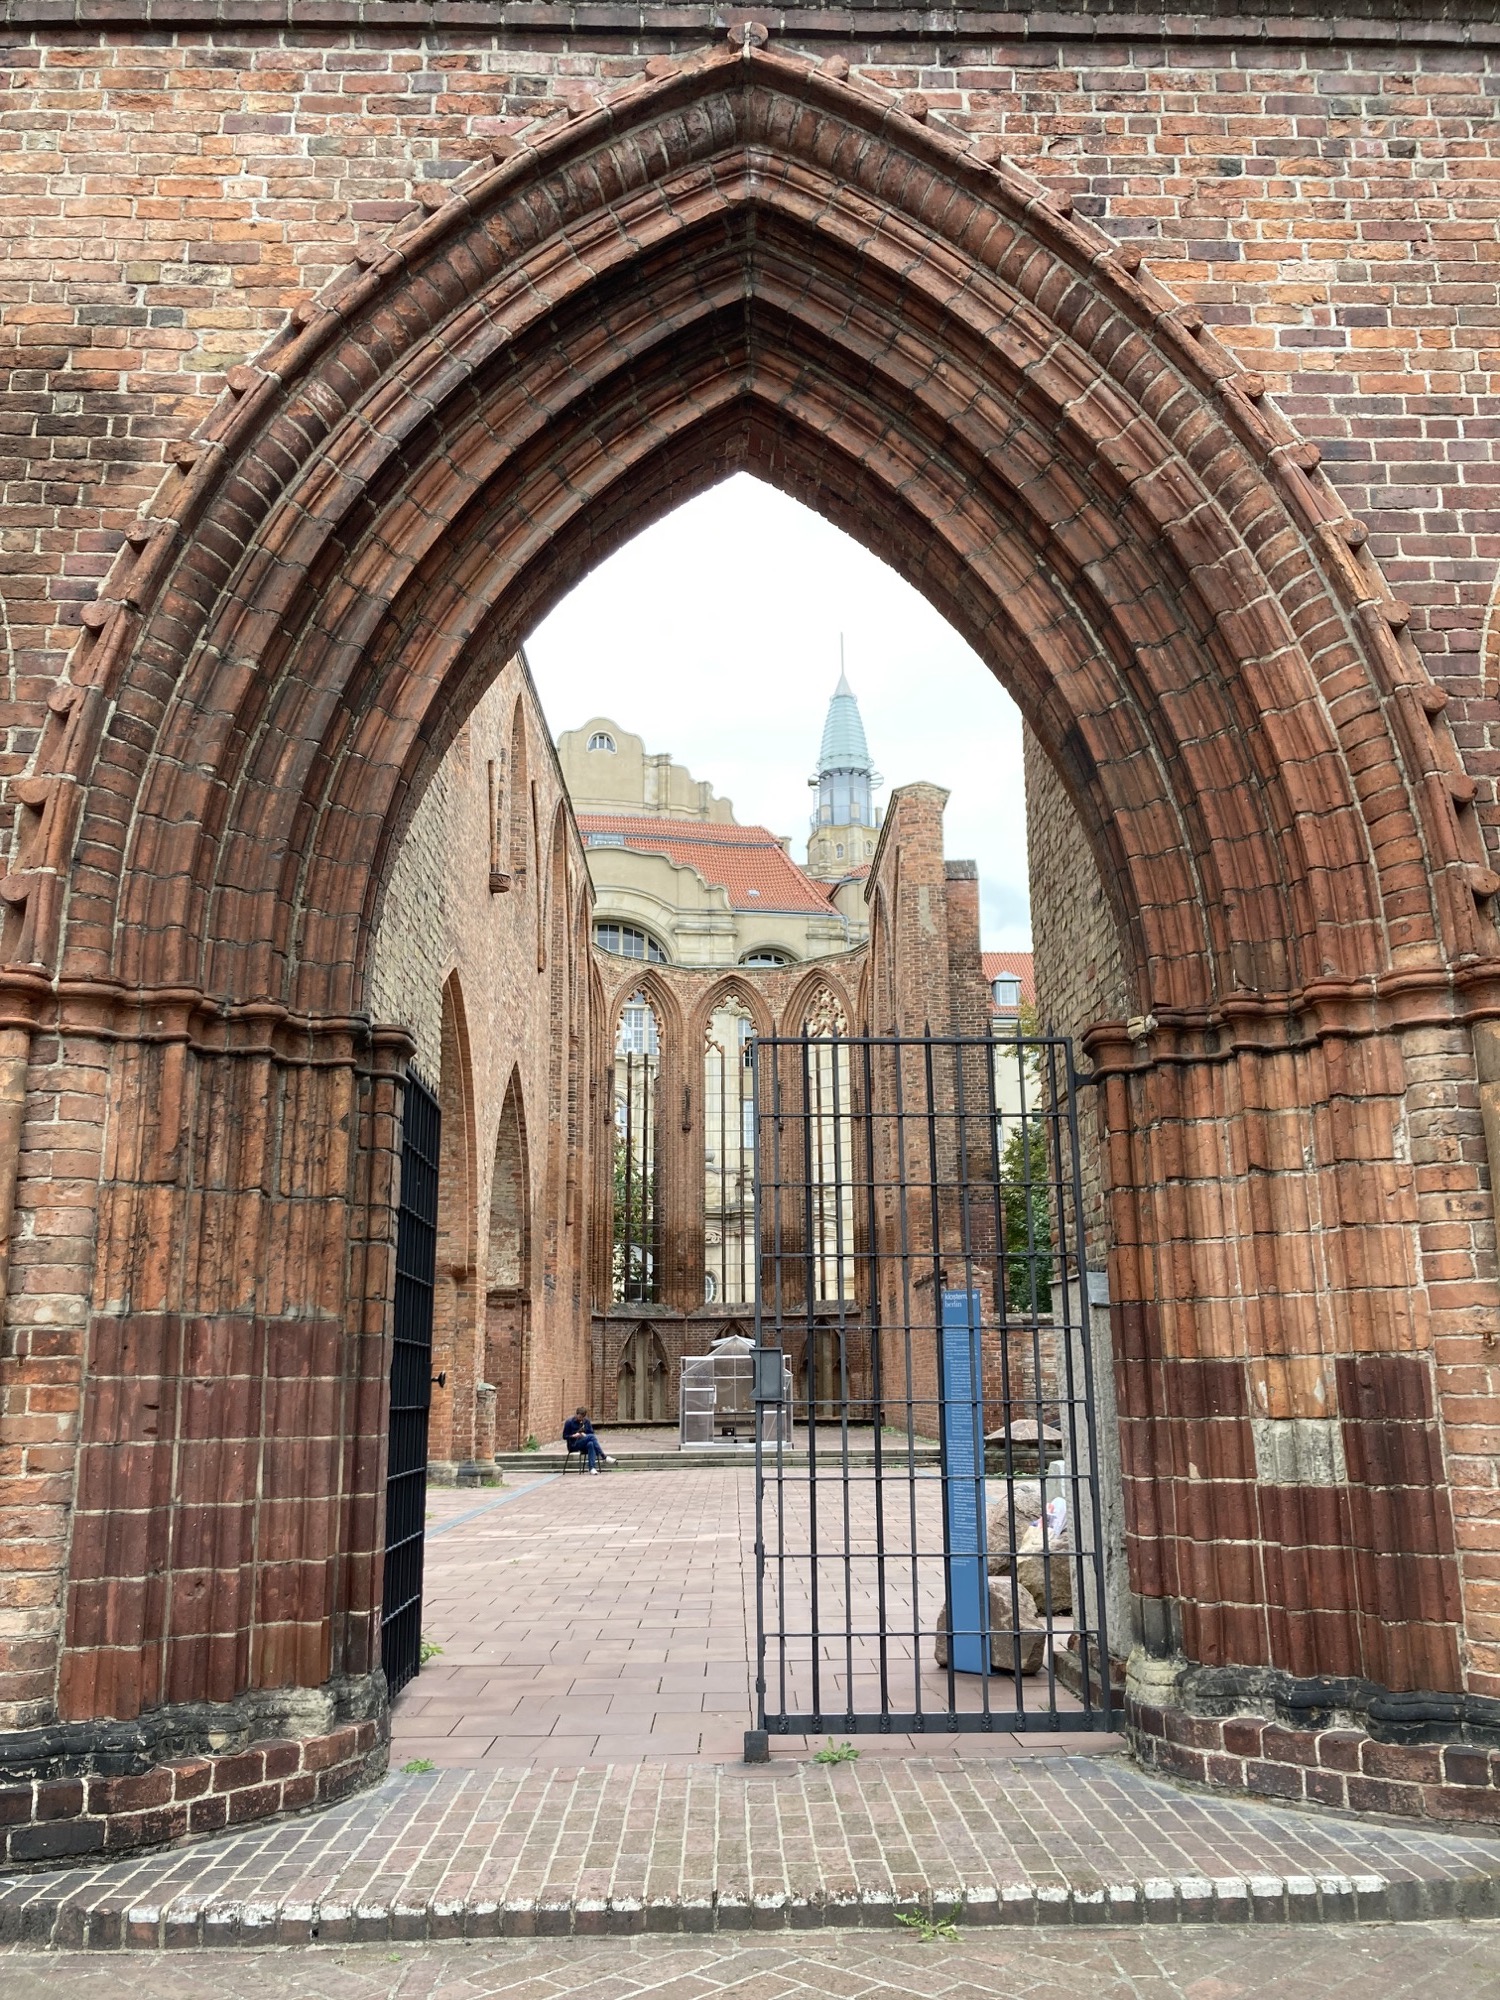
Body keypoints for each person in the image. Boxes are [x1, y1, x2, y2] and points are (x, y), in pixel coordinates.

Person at [563, 1407, 607, 1474]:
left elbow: (591, 1432)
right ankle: (603, 1456)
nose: (581, 1419)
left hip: (584, 1443)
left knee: (591, 1444)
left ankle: (592, 1468)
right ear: (576, 1414)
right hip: (574, 1444)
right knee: (591, 1437)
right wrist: (573, 1436)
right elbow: (564, 1436)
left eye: (582, 1418)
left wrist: (584, 1435)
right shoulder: (569, 1422)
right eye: (579, 1417)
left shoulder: (586, 1421)